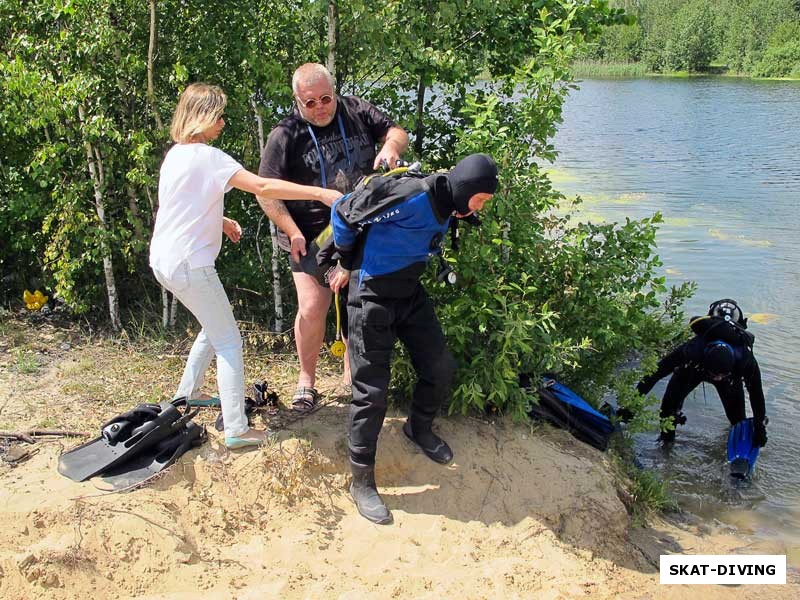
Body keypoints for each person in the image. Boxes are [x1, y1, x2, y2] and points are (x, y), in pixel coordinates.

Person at [150, 82, 341, 449]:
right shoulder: (210, 157)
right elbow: (264, 187)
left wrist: (221, 221)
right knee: (228, 342)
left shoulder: (176, 155)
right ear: (202, 118)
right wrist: (319, 192)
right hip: (191, 266)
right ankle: (236, 428)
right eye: (218, 116)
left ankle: (184, 396)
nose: (222, 122)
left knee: (214, 326)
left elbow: (179, 202)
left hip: (165, 260)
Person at [328, 154, 499, 524]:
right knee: (371, 392)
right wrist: (344, 261)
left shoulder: (449, 203)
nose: (481, 207)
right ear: (466, 188)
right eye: (481, 199)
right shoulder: (410, 194)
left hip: (407, 292)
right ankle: (362, 482)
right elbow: (343, 212)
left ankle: (417, 428)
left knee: (439, 367)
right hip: (369, 293)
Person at [258, 63, 409, 413]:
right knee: (313, 307)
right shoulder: (286, 134)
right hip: (310, 236)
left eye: (326, 98)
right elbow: (265, 192)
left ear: (335, 92)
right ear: (297, 101)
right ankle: (306, 381)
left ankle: (350, 375)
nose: (320, 107)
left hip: (361, 228)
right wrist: (292, 230)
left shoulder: (355, 110)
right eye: (309, 103)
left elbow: (396, 131)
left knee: (356, 304)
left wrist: (390, 148)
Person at [636, 299, 768, 446]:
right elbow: (656, 372)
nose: (717, 379)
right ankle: (665, 445)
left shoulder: (744, 359)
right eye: (714, 375)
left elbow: (756, 394)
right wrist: (631, 404)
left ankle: (735, 447)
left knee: (737, 419)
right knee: (668, 409)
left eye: (720, 376)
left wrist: (759, 426)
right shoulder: (693, 351)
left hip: (729, 376)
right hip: (696, 369)